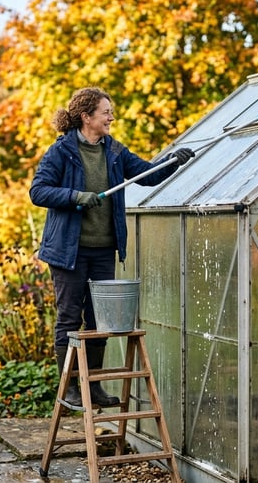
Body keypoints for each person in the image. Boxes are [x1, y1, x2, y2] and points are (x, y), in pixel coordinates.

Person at [29, 87, 194, 407]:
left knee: (99, 321)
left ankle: (93, 387)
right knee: (68, 318)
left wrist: (174, 161)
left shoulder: (114, 151)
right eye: (106, 112)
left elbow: (146, 175)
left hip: (104, 250)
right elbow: (39, 192)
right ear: (86, 117)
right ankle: (72, 387)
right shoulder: (61, 152)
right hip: (69, 251)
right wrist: (76, 197)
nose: (111, 117)